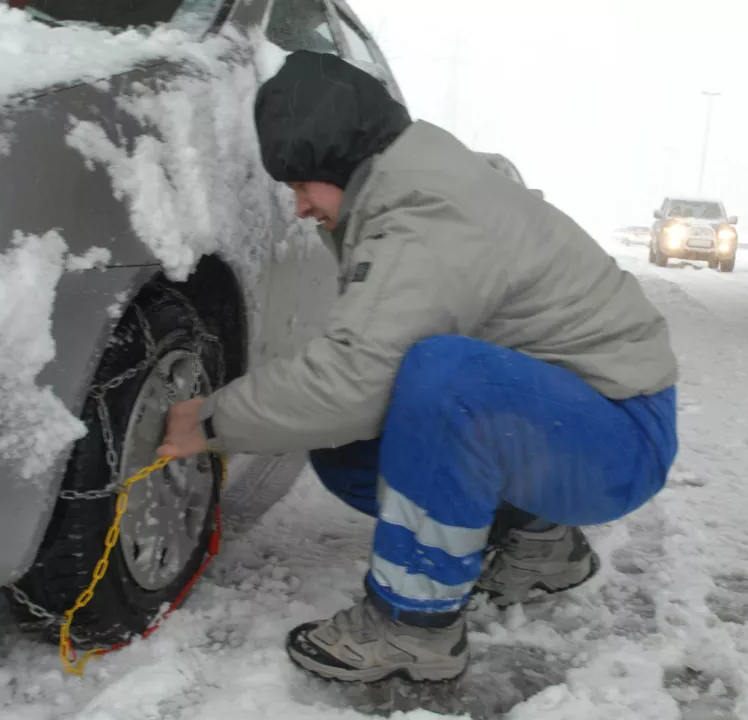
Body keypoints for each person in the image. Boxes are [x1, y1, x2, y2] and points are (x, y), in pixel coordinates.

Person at [157, 50, 679, 684]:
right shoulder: (408, 191)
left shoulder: (428, 217)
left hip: (618, 435)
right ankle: (543, 545)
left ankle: (412, 628)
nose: (297, 207)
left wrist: (207, 421)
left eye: (300, 185)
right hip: (566, 419)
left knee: (443, 378)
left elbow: (349, 380)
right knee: (348, 453)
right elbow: (359, 371)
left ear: (342, 164)